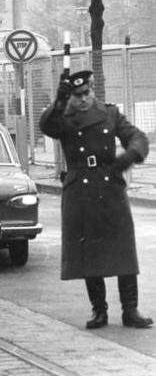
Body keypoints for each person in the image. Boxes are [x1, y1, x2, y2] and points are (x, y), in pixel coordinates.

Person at [39, 69, 152, 329]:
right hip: (80, 188)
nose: (82, 99)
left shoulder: (109, 113)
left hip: (109, 184)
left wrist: (130, 155)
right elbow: (48, 127)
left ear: (92, 88)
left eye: (86, 93)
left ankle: (130, 310)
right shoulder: (64, 117)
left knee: (122, 249)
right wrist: (59, 101)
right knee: (89, 252)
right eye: (76, 95)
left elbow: (136, 136)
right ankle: (99, 311)